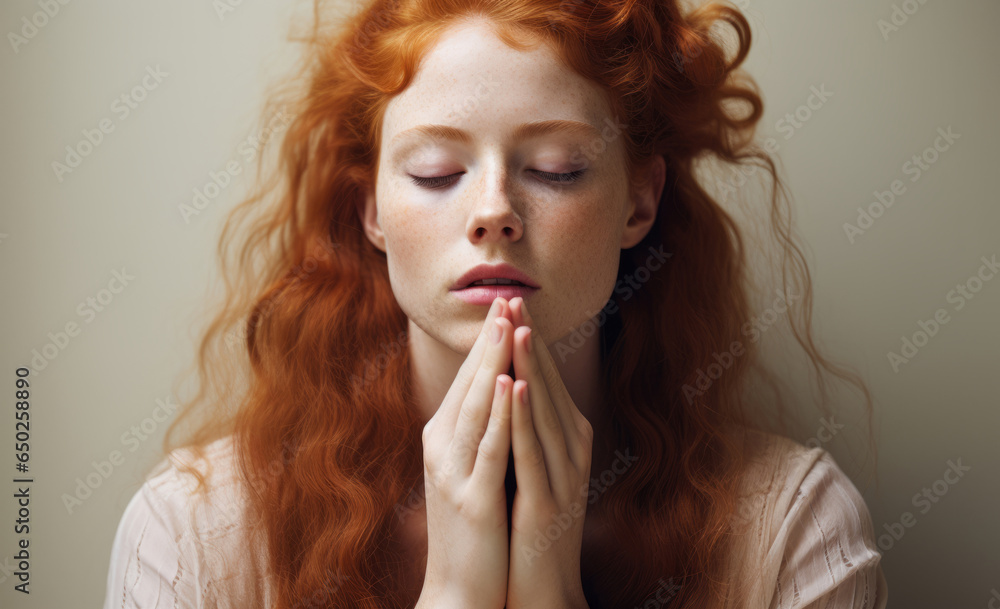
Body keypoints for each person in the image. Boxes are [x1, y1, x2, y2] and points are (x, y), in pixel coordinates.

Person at [102, 1, 888, 608]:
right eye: (438, 171)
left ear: (638, 205)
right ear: (370, 210)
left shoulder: (793, 531)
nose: (493, 211)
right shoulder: (189, 534)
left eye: (556, 167)